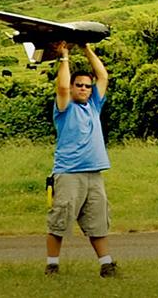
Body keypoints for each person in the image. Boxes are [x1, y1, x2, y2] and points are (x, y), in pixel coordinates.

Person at [45, 42, 119, 278]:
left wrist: (86, 49)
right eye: (80, 85)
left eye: (87, 86)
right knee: (59, 221)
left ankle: (106, 264)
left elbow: (103, 76)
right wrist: (64, 57)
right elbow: (63, 88)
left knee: (98, 222)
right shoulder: (64, 108)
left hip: (94, 174)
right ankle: (52, 265)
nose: (84, 89)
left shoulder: (94, 105)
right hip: (69, 173)